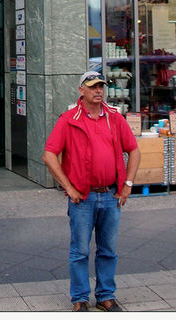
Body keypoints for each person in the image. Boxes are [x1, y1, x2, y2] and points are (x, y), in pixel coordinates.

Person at [43, 71, 141, 312]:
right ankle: (80, 298)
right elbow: (48, 155)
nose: (99, 91)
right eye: (93, 87)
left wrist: (127, 184)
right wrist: (69, 188)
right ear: (81, 90)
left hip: (110, 195)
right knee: (81, 251)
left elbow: (134, 150)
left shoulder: (115, 118)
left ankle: (106, 295)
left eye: (101, 87)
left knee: (108, 250)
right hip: (83, 198)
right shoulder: (69, 119)